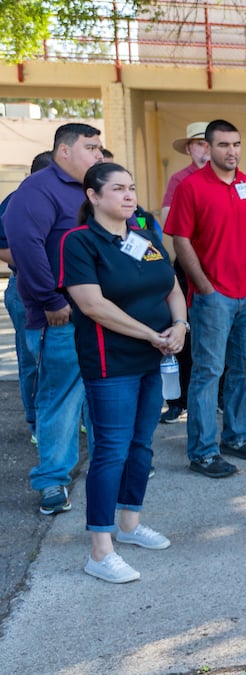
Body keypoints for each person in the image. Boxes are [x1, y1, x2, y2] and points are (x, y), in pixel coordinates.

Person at [59, 162, 186, 583]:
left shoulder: (145, 237)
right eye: (117, 189)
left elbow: (171, 286)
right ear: (93, 197)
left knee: (141, 445)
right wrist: (152, 333)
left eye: (131, 188)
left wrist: (180, 325)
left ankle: (129, 525)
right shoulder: (79, 243)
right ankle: (100, 548)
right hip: (111, 363)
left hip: (155, 359)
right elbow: (93, 305)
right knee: (111, 449)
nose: (128, 196)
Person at [163, 119, 246, 478]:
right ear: (208, 148)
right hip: (213, 296)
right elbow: (180, 240)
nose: (232, 151)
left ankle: (236, 436)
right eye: (223, 145)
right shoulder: (191, 187)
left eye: (237, 144)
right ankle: (202, 452)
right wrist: (203, 285)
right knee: (208, 371)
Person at [4, 123, 104, 516]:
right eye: (91, 148)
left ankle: (108, 468)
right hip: (61, 318)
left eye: (100, 148)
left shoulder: (92, 189)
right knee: (60, 401)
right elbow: (26, 249)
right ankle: (52, 482)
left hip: (103, 315)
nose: (98, 155)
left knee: (102, 397)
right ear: (64, 151)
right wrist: (50, 299)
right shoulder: (37, 190)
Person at [0, 150, 54, 444]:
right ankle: (36, 423)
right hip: (24, 289)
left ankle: (67, 418)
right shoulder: (16, 201)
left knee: (63, 358)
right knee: (32, 360)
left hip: (64, 291)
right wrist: (34, 262)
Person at [159, 120, 211, 424]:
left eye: (208, 142)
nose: (204, 149)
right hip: (189, 264)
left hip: (223, 267)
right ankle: (179, 401)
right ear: (189, 148)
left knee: (222, 334)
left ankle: (216, 397)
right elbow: (170, 222)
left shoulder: (228, 178)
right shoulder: (180, 179)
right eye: (199, 143)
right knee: (184, 333)